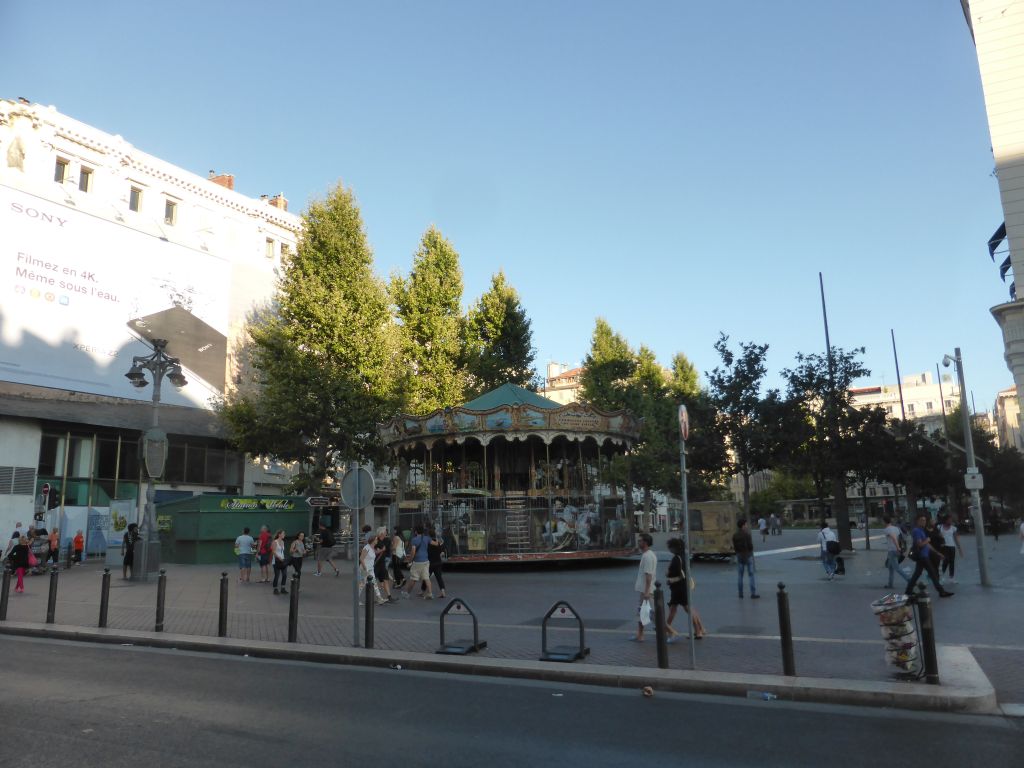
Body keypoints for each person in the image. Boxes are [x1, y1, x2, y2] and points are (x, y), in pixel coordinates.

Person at [665, 538, 704, 641]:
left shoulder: (677, 558)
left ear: (674, 547)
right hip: (683, 586)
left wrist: (670, 579)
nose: (669, 549)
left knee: (687, 609)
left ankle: (698, 631)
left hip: (679, 587)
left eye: (670, 547)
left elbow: (678, 574)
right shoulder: (685, 557)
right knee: (678, 608)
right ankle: (698, 630)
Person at [905, 514, 954, 598]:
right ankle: (941, 591)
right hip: (922, 556)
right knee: (933, 573)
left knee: (917, 574)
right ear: (917, 521)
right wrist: (927, 540)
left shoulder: (921, 530)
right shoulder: (917, 531)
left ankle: (908, 591)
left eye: (924, 520)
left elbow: (927, 545)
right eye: (921, 520)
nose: (924, 522)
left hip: (924, 556)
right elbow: (920, 544)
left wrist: (937, 553)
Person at [630, 533, 657, 641]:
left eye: (640, 541)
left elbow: (648, 576)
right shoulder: (647, 555)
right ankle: (640, 635)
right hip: (645, 591)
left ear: (645, 543)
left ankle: (670, 632)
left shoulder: (648, 556)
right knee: (642, 613)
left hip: (647, 592)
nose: (638, 542)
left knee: (653, 615)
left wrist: (646, 592)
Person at [401, 524, 433, 599]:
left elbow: (413, 552)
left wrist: (409, 561)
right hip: (426, 560)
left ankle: (407, 593)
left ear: (415, 532)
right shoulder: (427, 538)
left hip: (418, 561)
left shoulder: (414, 540)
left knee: (413, 578)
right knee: (426, 578)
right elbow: (435, 543)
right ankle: (430, 593)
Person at [732, 519, 758, 598]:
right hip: (747, 555)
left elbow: (735, 547)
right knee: (751, 574)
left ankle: (740, 593)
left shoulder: (735, 535)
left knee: (740, 575)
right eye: (746, 524)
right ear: (743, 526)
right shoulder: (747, 535)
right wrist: (750, 551)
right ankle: (753, 593)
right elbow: (750, 546)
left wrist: (738, 552)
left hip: (739, 555)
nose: (746, 526)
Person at [882, 514, 910, 589]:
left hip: (893, 550)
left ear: (884, 522)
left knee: (897, 568)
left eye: (883, 521)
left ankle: (910, 580)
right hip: (894, 550)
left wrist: (898, 548)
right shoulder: (896, 528)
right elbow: (901, 537)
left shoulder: (886, 529)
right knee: (890, 567)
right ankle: (890, 584)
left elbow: (894, 538)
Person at [938, 515, 964, 584]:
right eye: (949, 520)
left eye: (951, 520)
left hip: (952, 546)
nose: (950, 521)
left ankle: (951, 577)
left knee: (952, 562)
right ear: (945, 520)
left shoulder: (953, 528)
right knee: (945, 561)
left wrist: (959, 549)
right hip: (944, 546)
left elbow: (956, 539)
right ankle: (941, 577)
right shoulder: (940, 527)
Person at [427, 527, 447, 598]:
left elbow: (427, 552)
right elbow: (441, 552)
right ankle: (443, 592)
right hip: (438, 562)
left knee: (426, 577)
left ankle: (423, 591)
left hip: (430, 563)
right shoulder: (438, 542)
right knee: (439, 578)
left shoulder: (429, 543)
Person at [271, 529, 289, 595]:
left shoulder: (283, 542)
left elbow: (282, 551)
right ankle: (275, 589)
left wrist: (283, 558)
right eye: (283, 533)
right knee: (277, 575)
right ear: (279, 534)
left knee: (285, 574)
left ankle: (283, 588)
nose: (284, 535)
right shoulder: (274, 542)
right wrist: (279, 557)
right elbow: (273, 552)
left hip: (282, 560)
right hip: (276, 561)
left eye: (284, 533)